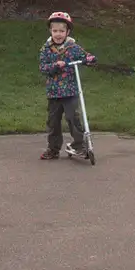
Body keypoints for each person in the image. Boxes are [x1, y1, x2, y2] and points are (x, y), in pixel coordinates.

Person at [38, 11, 95, 160]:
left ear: (67, 32)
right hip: (54, 93)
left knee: (72, 118)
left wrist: (89, 58)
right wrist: (55, 65)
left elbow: (85, 56)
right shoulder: (46, 49)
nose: (58, 34)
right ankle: (53, 149)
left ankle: (79, 145)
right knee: (53, 122)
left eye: (61, 31)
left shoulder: (73, 47)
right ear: (50, 31)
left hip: (70, 91)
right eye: (55, 31)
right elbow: (43, 68)